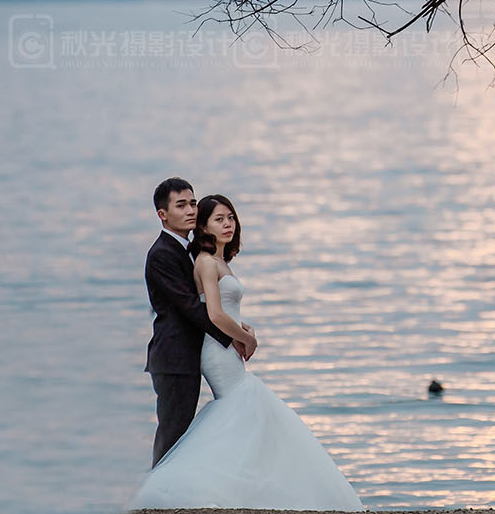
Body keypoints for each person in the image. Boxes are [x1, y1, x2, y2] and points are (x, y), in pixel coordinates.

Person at [128, 194, 363, 511]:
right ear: (204, 226)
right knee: (244, 407)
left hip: (223, 345)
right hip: (217, 350)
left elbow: (222, 309)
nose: (227, 224)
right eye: (218, 219)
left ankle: (245, 487)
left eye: (230, 218)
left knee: (242, 414)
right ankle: (179, 487)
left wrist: (243, 328)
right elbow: (213, 313)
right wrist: (245, 339)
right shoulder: (206, 262)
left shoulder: (219, 261)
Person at [143, 177, 256, 466]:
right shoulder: (161, 255)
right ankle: (155, 501)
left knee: (182, 434)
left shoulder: (189, 251)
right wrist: (234, 336)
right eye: (181, 205)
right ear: (163, 214)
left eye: (193, 203)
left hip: (191, 355)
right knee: (173, 434)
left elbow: (207, 301)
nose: (191, 210)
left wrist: (236, 327)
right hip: (174, 357)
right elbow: (192, 308)